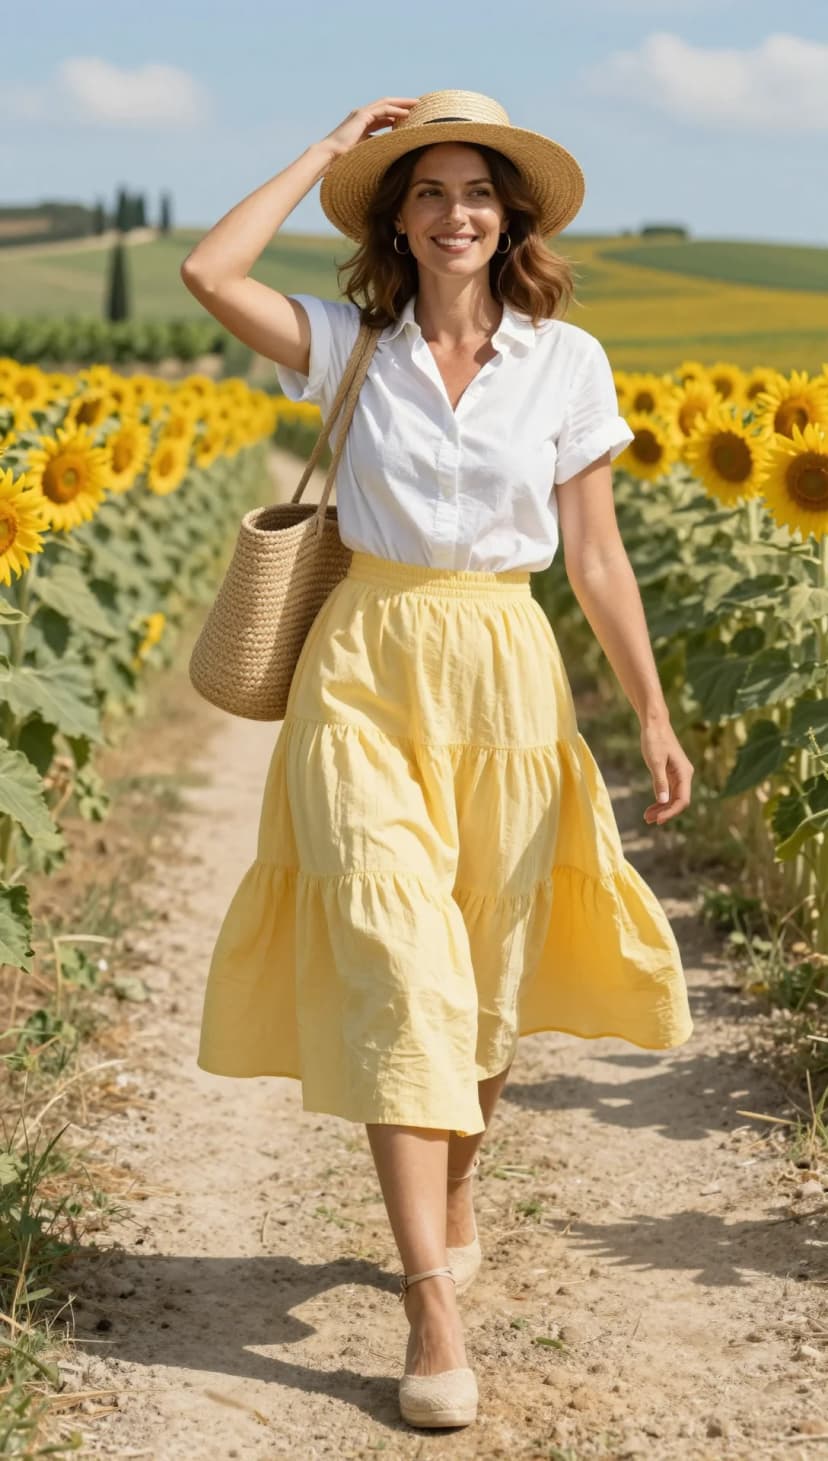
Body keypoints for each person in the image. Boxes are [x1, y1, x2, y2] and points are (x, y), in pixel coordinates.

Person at [181, 89, 695, 1432]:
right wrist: (321, 152)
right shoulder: (347, 343)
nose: (455, 212)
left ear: (506, 218)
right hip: (364, 671)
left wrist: (648, 712)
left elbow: (592, 556)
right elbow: (207, 270)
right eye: (426, 192)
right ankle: (431, 1300)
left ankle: (458, 1183)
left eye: (477, 192)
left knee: (484, 981)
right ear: (397, 223)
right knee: (398, 963)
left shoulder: (567, 362)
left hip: (506, 673)